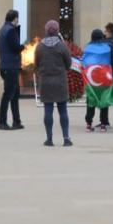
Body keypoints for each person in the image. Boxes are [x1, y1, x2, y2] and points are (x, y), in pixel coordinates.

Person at [35, 19, 72, 147]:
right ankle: (66, 138)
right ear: (57, 31)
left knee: (48, 110)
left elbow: (37, 64)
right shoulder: (62, 46)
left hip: (45, 82)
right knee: (63, 111)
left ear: (46, 31)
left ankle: (49, 139)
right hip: (60, 82)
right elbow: (69, 63)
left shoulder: (40, 47)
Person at [82, 29, 113, 132]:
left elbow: (83, 62)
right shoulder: (108, 48)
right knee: (104, 99)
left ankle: (89, 124)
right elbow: (112, 62)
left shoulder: (87, 48)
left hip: (91, 77)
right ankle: (103, 124)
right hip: (104, 77)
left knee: (91, 100)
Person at [0, 9, 23, 130]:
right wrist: (23, 46)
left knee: (15, 94)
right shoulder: (10, 31)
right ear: (15, 18)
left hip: (5, 66)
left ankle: (16, 121)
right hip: (11, 67)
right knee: (8, 94)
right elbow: (16, 48)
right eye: (17, 18)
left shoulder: (2, 30)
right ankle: (2, 122)